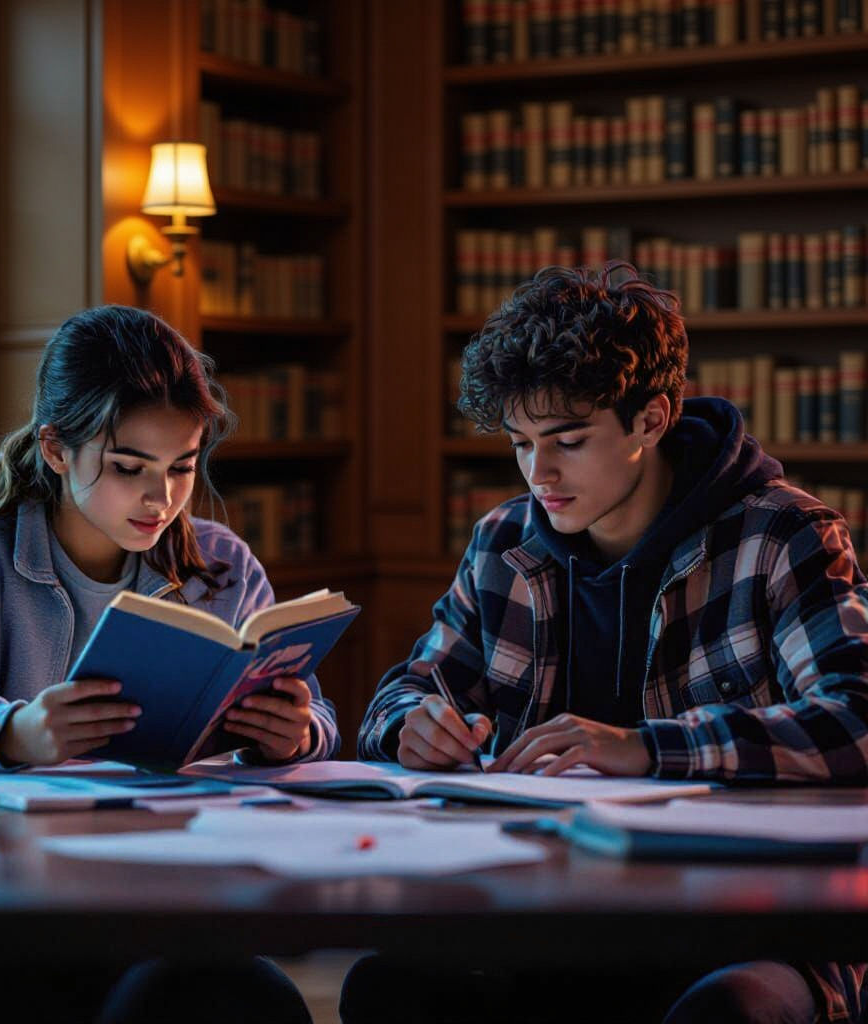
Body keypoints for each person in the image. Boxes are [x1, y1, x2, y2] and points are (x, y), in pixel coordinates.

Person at [347, 264, 868, 1024]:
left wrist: (646, 747)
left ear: (652, 420)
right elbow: (407, 689)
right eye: (521, 444)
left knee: (734, 1011)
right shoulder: (502, 542)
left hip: (744, 917)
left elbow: (856, 719)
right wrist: (412, 725)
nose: (540, 474)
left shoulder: (783, 534)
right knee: (387, 984)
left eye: (568, 440)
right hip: (546, 908)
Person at [0, 304, 332, 1024]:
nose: (161, 498)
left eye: (182, 468)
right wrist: (12, 733)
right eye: (128, 467)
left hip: (165, 902)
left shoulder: (221, 566)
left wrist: (296, 733)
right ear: (54, 448)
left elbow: (317, 712)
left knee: (252, 1002)